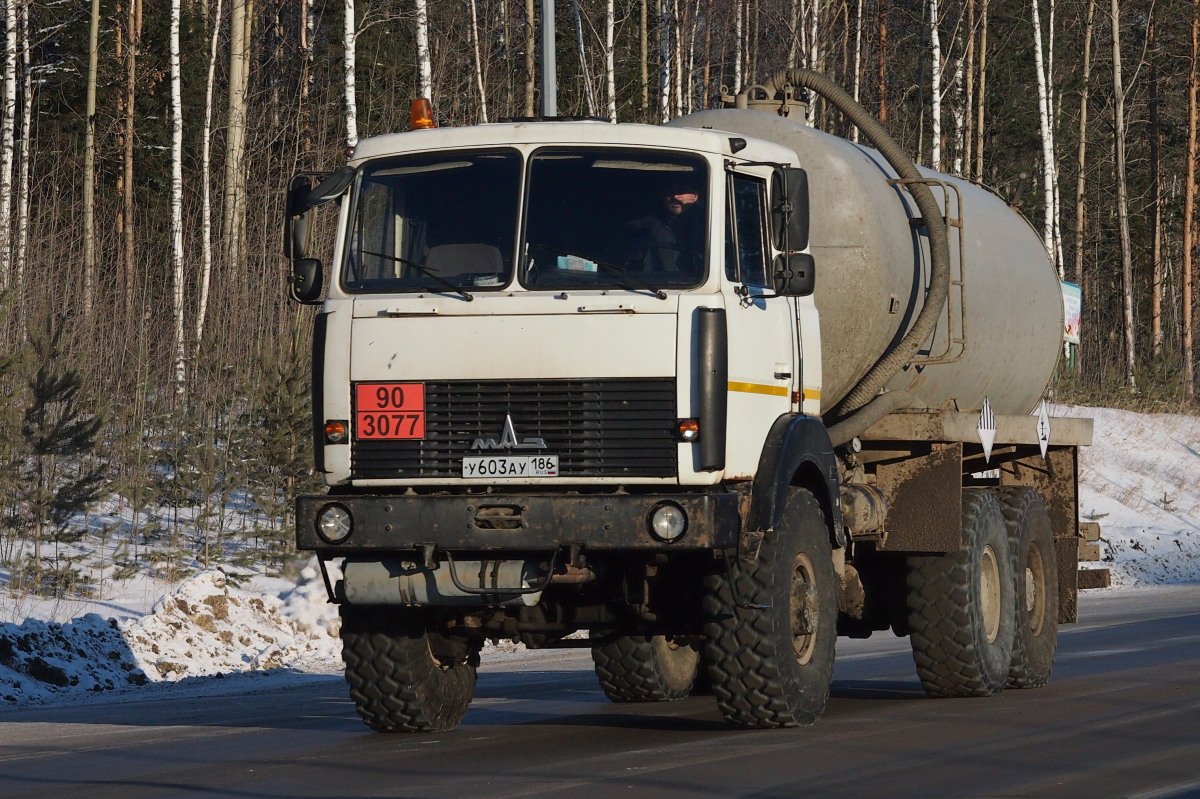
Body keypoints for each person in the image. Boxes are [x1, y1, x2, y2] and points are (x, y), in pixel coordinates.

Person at [619, 176, 705, 276]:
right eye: (670, 192)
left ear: (695, 196)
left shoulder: (712, 224)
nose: (675, 196)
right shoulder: (646, 225)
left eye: (682, 191)